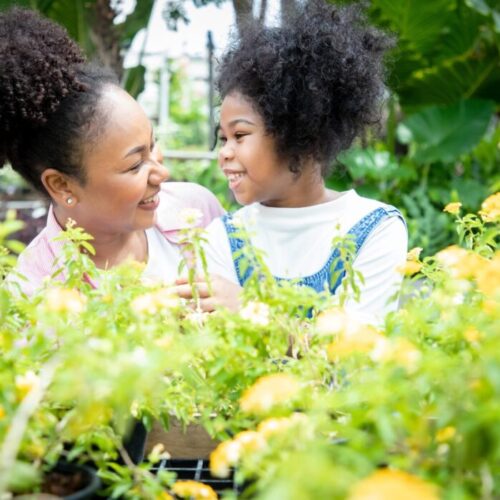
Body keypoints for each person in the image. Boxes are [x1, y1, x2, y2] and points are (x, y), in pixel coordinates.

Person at [198, 1, 408, 324]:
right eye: (223, 138)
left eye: (240, 135)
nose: (224, 152)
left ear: (299, 132)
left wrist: (250, 312)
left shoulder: (376, 229)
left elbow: (352, 356)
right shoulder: (220, 239)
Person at [0, 7, 224, 296]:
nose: (162, 172)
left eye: (152, 145)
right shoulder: (33, 295)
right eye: (134, 165)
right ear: (62, 185)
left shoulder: (196, 210)